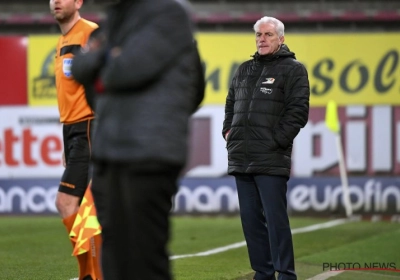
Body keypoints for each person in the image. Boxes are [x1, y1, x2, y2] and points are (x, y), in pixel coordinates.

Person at [71, 0, 205, 279]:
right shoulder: (115, 19)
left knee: (144, 256)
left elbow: (127, 68)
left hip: (149, 152)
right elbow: (80, 68)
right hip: (109, 152)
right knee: (114, 255)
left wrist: (101, 62)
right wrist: (110, 58)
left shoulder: (168, 12)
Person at [222, 16, 310, 280]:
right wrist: (229, 131)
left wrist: (277, 141)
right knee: (251, 223)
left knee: (275, 220)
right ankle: (262, 272)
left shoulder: (294, 69)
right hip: (241, 157)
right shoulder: (244, 69)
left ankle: (285, 274)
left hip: (271, 157)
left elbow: (298, 112)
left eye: (268, 34)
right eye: (258, 35)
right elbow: (230, 104)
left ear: (281, 39)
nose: (262, 39)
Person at [50, 0, 102, 279]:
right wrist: (66, 141)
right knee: (82, 205)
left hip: (90, 126)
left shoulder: (90, 33)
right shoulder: (62, 41)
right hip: (72, 130)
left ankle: (92, 273)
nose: (56, 1)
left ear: (79, 2)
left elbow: (105, 80)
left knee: (69, 203)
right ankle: (89, 273)